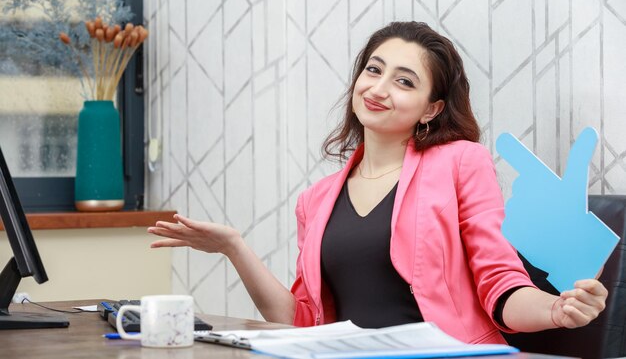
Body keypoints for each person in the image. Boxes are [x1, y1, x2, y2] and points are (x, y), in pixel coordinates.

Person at [148, 21, 607, 344]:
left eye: (404, 81)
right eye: (373, 69)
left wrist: (554, 311)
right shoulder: (317, 200)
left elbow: (499, 284)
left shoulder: (460, 162)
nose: (378, 88)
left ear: (431, 108)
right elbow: (303, 320)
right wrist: (234, 248)